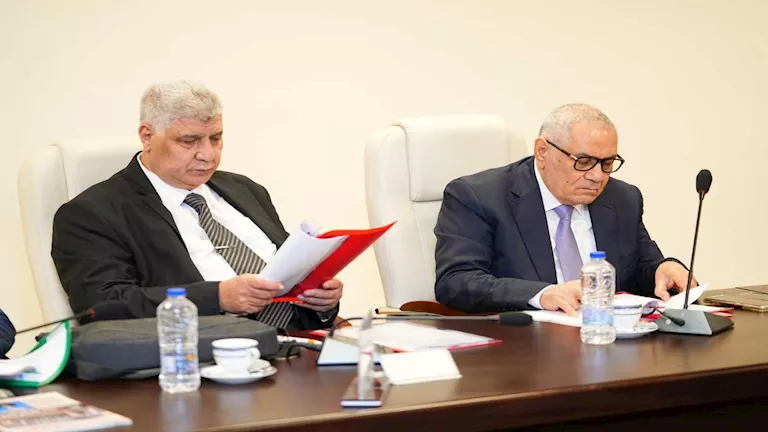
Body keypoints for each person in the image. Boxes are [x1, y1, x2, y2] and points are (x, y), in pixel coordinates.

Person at [52, 81, 342, 330]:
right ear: (147, 136)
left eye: (216, 138)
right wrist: (218, 298)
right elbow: (102, 307)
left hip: (300, 347)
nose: (208, 155)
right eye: (189, 141)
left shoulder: (245, 190)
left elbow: (288, 273)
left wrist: (320, 302)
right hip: (205, 357)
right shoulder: (92, 214)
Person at [434, 104, 694, 316]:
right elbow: (456, 281)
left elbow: (641, 269)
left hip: (605, 339)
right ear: (542, 151)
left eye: (607, 163)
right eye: (584, 161)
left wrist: (665, 269)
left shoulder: (622, 198)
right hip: (524, 348)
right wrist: (543, 295)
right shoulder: (479, 196)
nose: (597, 176)